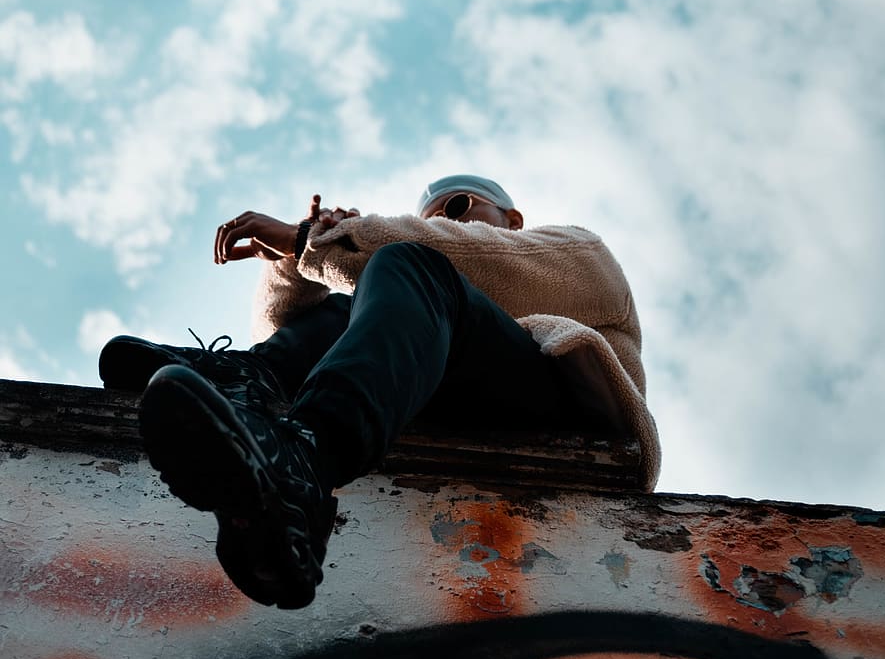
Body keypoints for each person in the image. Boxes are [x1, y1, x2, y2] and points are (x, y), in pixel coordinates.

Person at [99, 175, 660, 610]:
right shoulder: (429, 286)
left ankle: (309, 462)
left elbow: (473, 259)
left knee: (408, 266)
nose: (443, 218)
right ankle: (250, 380)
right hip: (448, 395)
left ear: (510, 218)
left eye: (459, 207)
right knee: (363, 300)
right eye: (432, 215)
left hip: (563, 410)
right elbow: (301, 330)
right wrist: (294, 266)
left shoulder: (578, 252)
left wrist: (319, 242)